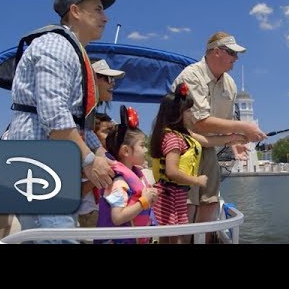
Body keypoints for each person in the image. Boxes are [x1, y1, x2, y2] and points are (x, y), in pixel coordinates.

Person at [7, 0, 117, 243]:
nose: (106, 17)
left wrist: (102, 154)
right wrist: (90, 161)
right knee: (57, 235)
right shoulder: (56, 47)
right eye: (98, 9)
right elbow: (54, 117)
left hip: (49, 157)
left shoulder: (72, 50)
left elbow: (76, 121)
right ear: (75, 11)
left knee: (55, 232)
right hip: (38, 158)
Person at [172, 31, 267, 242]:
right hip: (179, 149)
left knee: (211, 203)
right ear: (216, 52)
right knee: (186, 207)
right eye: (232, 53)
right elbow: (200, 121)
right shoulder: (191, 76)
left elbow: (222, 121)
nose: (236, 58)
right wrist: (243, 128)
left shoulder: (230, 84)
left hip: (208, 149)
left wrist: (234, 143)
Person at [150, 82, 246, 244]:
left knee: (172, 233)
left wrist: (235, 138)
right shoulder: (173, 139)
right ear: (177, 114)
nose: (191, 114)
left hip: (177, 194)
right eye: (188, 110)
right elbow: (171, 171)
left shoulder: (183, 134)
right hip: (171, 196)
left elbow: (207, 141)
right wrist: (197, 180)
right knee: (177, 235)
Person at [95, 106, 159, 244]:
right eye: (142, 145)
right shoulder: (119, 182)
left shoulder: (136, 178)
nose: (146, 149)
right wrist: (144, 202)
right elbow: (117, 217)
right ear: (126, 151)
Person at [79, 59, 124, 230]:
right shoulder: (81, 120)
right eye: (108, 78)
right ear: (92, 78)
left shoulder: (87, 122)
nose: (113, 84)